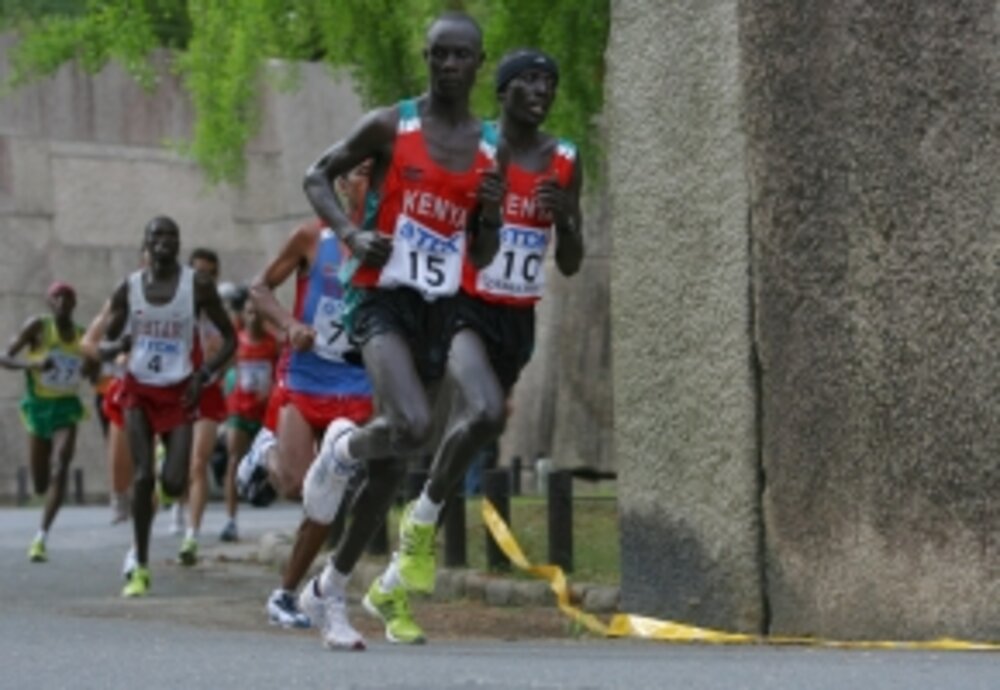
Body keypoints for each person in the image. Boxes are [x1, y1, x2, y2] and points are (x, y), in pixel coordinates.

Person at [299, 11, 503, 649]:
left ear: (478, 63)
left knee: (394, 466)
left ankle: (328, 592)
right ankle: (340, 451)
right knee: (412, 427)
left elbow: (486, 252)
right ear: (427, 57)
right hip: (382, 299)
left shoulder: (490, 147)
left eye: (461, 56)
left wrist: (491, 215)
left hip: (438, 309)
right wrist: (353, 232)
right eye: (439, 55)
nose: (448, 66)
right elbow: (317, 174)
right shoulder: (392, 124)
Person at [366, 47, 584, 642]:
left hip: (518, 317)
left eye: (551, 81)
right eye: (530, 80)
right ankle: (419, 525)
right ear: (505, 89)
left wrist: (566, 219)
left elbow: (569, 262)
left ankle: (392, 580)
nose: (543, 90)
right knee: (484, 409)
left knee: (479, 424)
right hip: (464, 304)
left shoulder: (564, 159)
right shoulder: (480, 149)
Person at [242, 160, 395, 639]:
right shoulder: (312, 237)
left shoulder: (393, 246)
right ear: (342, 185)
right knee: (292, 485)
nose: (369, 183)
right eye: (361, 174)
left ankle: (285, 593)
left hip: (356, 386)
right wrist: (289, 326)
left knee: (326, 492)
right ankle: (261, 452)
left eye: (378, 173)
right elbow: (259, 288)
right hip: (305, 377)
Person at [100, 216, 235, 597]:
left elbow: (229, 338)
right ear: (145, 243)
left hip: (180, 391)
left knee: (174, 482)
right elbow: (106, 343)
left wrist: (204, 373)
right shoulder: (128, 288)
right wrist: (119, 348)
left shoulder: (199, 286)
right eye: (157, 235)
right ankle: (140, 563)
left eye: (172, 235)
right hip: (138, 390)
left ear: (178, 243)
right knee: (144, 476)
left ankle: (161, 506)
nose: (164, 241)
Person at [1, 282, 90, 562]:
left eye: (67, 297)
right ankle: (43, 495)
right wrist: (34, 365)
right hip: (39, 407)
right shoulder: (38, 326)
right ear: (48, 302)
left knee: (62, 463)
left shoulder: (81, 335)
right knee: (40, 483)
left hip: (66, 407)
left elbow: (97, 368)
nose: (62, 301)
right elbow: (4, 357)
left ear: (74, 303)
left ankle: (41, 536)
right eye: (56, 297)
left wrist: (90, 367)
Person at [177, 247, 231, 565]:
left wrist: (218, 361)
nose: (203, 278)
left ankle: (191, 537)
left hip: (208, 394)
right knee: (176, 468)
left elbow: (233, 347)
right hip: (176, 395)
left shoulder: (219, 312)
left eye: (209, 273)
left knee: (199, 463)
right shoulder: (175, 307)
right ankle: (174, 507)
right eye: (198, 272)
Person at [220, 296, 279, 542]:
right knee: (234, 459)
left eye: (257, 312)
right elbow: (223, 366)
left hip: (265, 412)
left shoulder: (274, 344)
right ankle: (231, 520)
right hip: (239, 411)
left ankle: (268, 499)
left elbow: (283, 371)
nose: (253, 317)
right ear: (243, 315)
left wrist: (273, 389)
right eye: (248, 312)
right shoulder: (235, 341)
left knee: (272, 460)